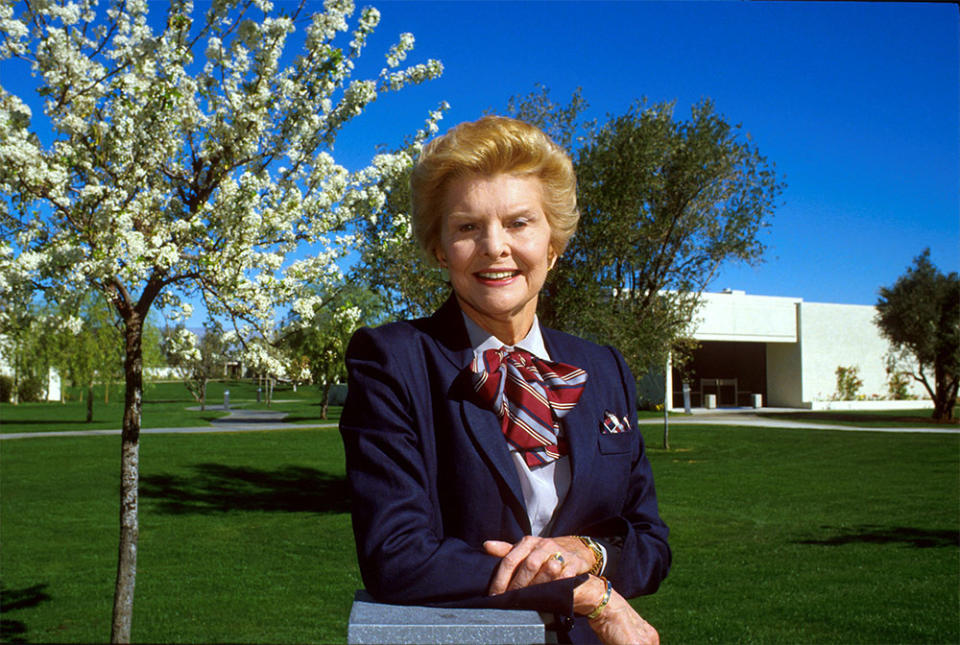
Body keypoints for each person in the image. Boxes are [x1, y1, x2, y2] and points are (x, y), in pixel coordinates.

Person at [339, 116, 670, 644]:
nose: (495, 246)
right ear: (441, 248)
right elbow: (397, 556)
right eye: (468, 227)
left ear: (553, 244)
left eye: (519, 223)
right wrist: (586, 593)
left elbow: (650, 541)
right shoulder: (393, 361)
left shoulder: (605, 368)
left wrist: (590, 551)